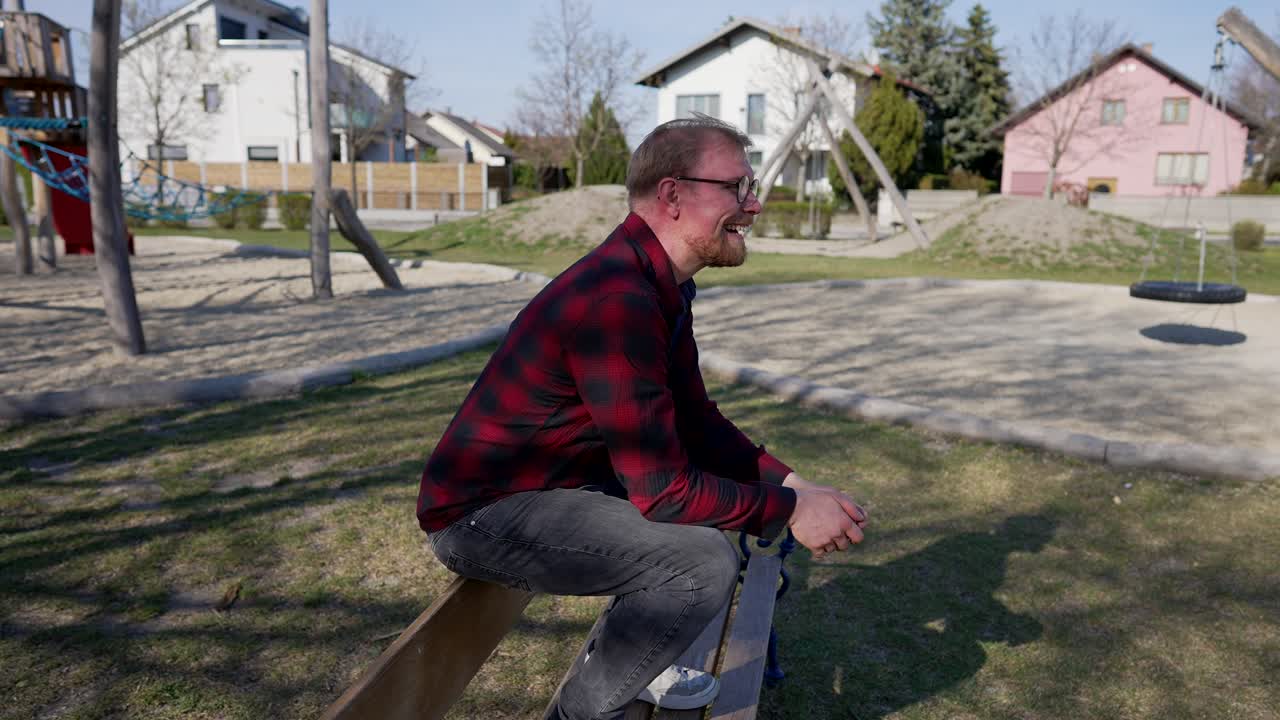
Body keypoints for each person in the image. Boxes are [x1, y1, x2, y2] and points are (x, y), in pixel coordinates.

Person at [417, 114, 868, 720]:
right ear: (673, 195)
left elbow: (697, 421)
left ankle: (638, 665)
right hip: (483, 515)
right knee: (701, 562)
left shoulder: (661, 284)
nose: (754, 205)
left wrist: (792, 485)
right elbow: (664, 493)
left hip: (556, 488)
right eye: (737, 187)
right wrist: (789, 513)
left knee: (704, 530)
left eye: (750, 185)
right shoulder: (618, 299)